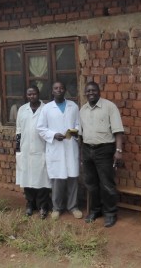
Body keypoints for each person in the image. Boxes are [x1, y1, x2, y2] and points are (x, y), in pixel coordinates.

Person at [79, 81, 124, 228]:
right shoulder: (83, 110)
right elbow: (81, 133)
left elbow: (118, 131)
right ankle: (95, 211)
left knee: (107, 184)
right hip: (87, 149)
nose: (91, 93)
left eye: (94, 90)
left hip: (104, 150)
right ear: (85, 93)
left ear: (99, 92)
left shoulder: (109, 107)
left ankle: (110, 213)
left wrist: (118, 151)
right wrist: (81, 154)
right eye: (88, 91)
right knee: (91, 184)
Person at [37, 81, 82, 220]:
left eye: (61, 88)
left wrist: (75, 132)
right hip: (55, 147)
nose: (59, 90)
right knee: (57, 180)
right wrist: (53, 135)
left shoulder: (73, 106)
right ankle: (57, 208)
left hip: (70, 146)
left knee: (73, 178)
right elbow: (40, 128)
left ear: (65, 90)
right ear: (52, 91)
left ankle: (73, 207)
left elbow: (78, 125)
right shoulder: (47, 108)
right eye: (56, 88)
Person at [15, 86, 51, 219]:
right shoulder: (22, 110)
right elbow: (18, 131)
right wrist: (18, 150)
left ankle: (43, 205)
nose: (32, 96)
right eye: (29, 94)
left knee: (42, 179)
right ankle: (30, 204)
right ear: (26, 95)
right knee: (27, 177)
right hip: (25, 150)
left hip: (41, 149)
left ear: (38, 94)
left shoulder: (46, 109)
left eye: (34, 94)